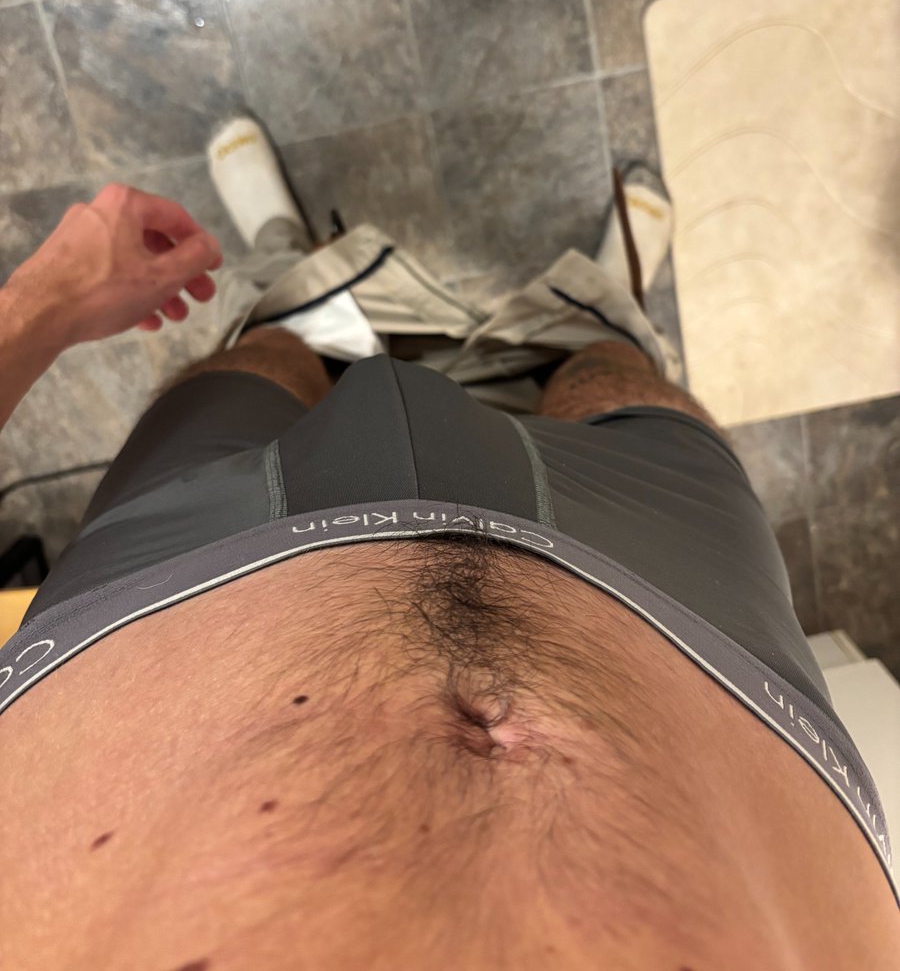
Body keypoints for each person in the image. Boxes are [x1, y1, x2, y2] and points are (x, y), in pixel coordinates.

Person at [0, 117, 897, 971]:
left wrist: (41, 304)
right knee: (621, 381)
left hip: (152, 598)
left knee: (260, 357)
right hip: (711, 661)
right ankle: (603, 304)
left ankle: (286, 262)